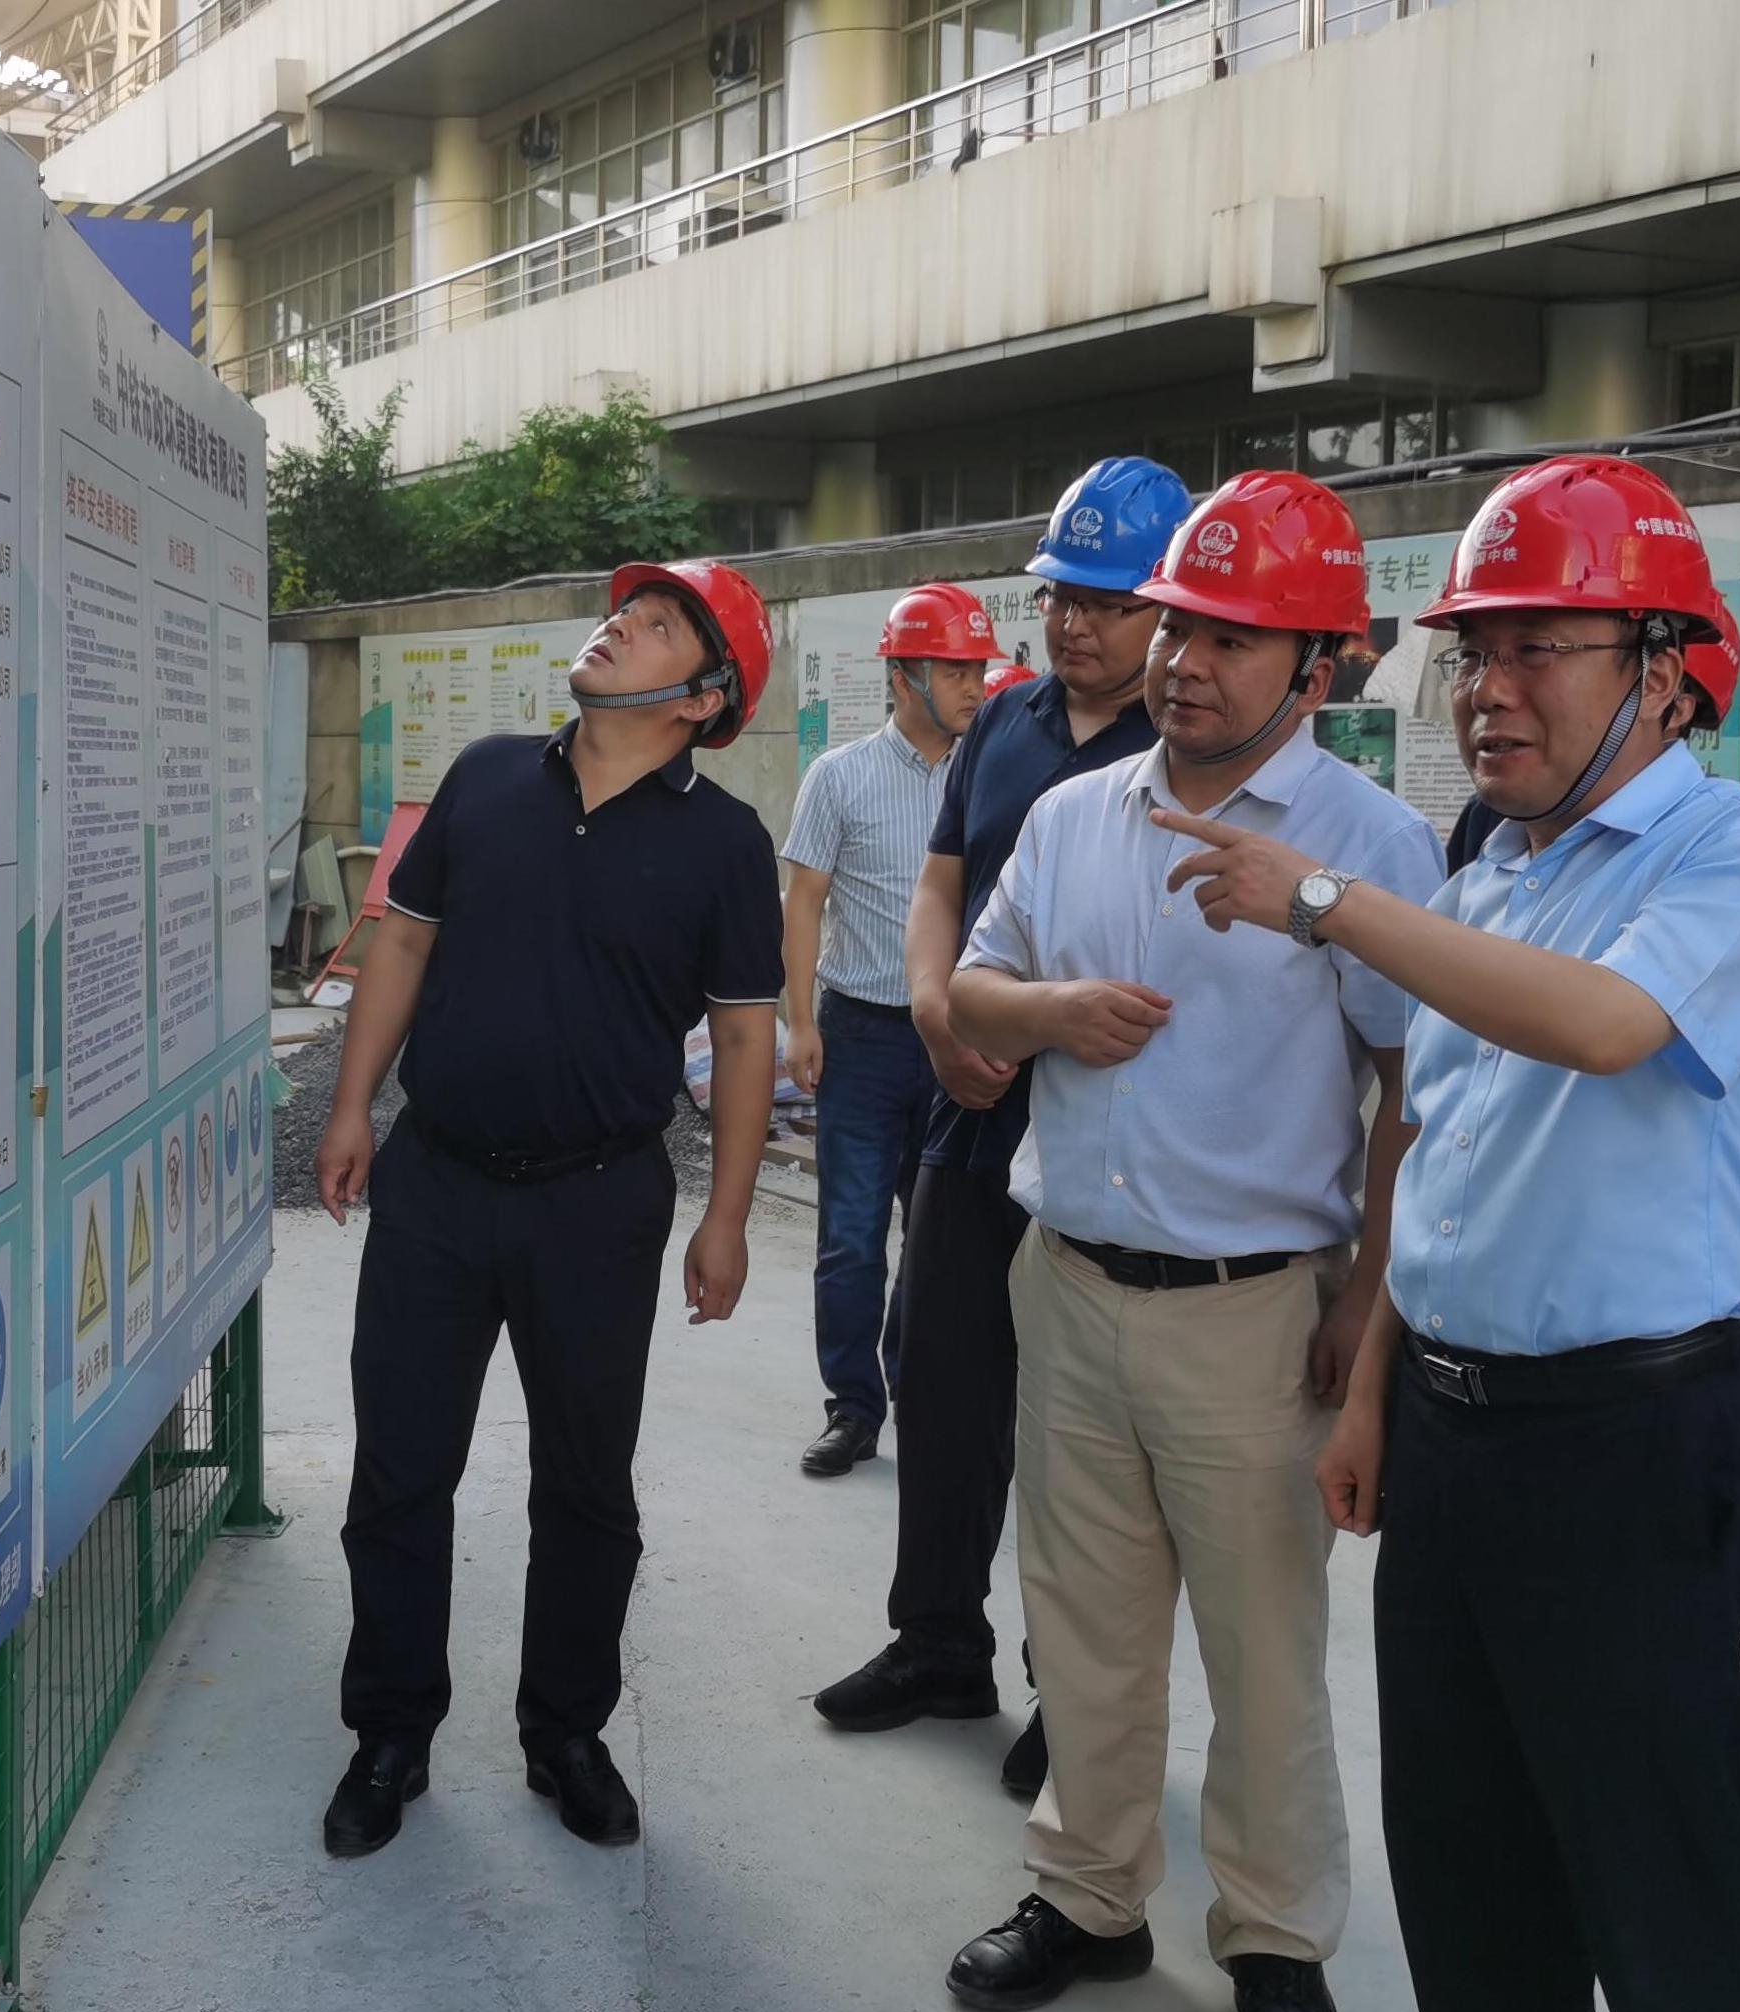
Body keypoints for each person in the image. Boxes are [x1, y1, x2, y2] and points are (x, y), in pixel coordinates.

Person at [1170, 454, 1740, 2012]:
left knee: (1660, 1884)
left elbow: (1608, 1029)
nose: (1491, 690)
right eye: (1476, 652)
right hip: (1458, 1428)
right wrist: (1376, 1385)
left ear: (1668, 669)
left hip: (1632, 1437)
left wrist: (1323, 900)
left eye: (1542, 647)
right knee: (1468, 1861)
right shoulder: (1492, 872)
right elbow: (1438, 1155)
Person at [934, 471, 1439, 2012]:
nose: (1186, 664)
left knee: (1262, 1650)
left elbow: (1412, 1085)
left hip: (1254, 1308)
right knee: (1082, 1626)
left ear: (1318, 665)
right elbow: (972, 990)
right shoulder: (1075, 816)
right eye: (1180, 628)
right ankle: (1086, 1897)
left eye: (1234, 639)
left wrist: (1365, 1296)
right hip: (1069, 1280)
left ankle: (1276, 1943)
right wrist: (1048, 1013)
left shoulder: (1367, 845)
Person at [312, 559, 781, 1859]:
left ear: (702, 697)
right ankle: (390, 1731)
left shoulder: (725, 845)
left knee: (584, 1485)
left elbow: (747, 1037)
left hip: (599, 1202)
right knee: (400, 1467)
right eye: (624, 609)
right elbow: (403, 940)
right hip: (437, 1179)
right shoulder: (485, 779)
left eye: (658, 623)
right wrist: (353, 1106)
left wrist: (727, 1216)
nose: (619, 622)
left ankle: (565, 1730)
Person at [809, 457, 1183, 1791]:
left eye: (1110, 603)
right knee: (942, 1374)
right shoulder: (1009, 720)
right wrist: (932, 1009)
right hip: (967, 1109)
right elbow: (943, 881)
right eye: (1062, 596)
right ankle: (936, 1643)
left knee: (1077, 1429)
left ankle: (1069, 1695)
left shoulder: (1184, 744)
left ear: (1170, 610)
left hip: (1104, 1125)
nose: (1075, 623)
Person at [780, 583, 999, 1477]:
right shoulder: (838, 777)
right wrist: (800, 1022)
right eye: (954, 668)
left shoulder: (988, 773)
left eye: (978, 666)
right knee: (850, 1234)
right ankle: (852, 1406)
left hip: (958, 1036)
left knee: (937, 1237)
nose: (974, 685)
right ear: (902, 676)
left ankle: (914, 1384)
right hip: (862, 1038)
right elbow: (803, 902)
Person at [1443, 596, 1737, 874]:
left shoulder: (1736, 848)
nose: (1485, 693)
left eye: (1534, 649)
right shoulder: (1477, 878)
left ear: (1654, 685)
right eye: (1468, 655)